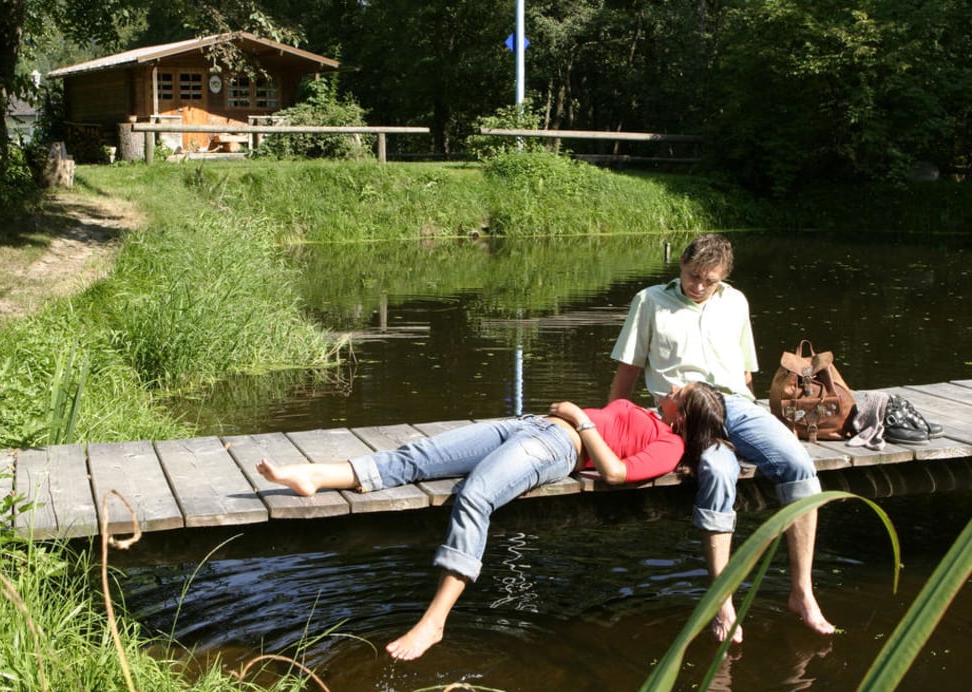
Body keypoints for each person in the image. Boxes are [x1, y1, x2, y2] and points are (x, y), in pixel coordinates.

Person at [256, 382, 729, 661]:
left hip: (558, 447)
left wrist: (579, 421)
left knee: (475, 495)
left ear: (684, 415)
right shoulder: (646, 412)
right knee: (417, 455)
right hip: (527, 425)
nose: (669, 389)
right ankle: (315, 476)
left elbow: (615, 472)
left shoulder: (669, 446)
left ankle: (434, 621)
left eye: (678, 393)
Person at [609, 232, 835, 644]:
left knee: (799, 465)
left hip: (737, 405)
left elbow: (746, 375)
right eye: (693, 275)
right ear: (680, 265)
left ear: (723, 278)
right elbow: (627, 370)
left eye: (709, 280)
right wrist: (611, 424)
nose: (698, 286)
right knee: (715, 470)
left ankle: (802, 592)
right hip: (686, 415)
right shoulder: (650, 301)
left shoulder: (736, 302)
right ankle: (723, 601)